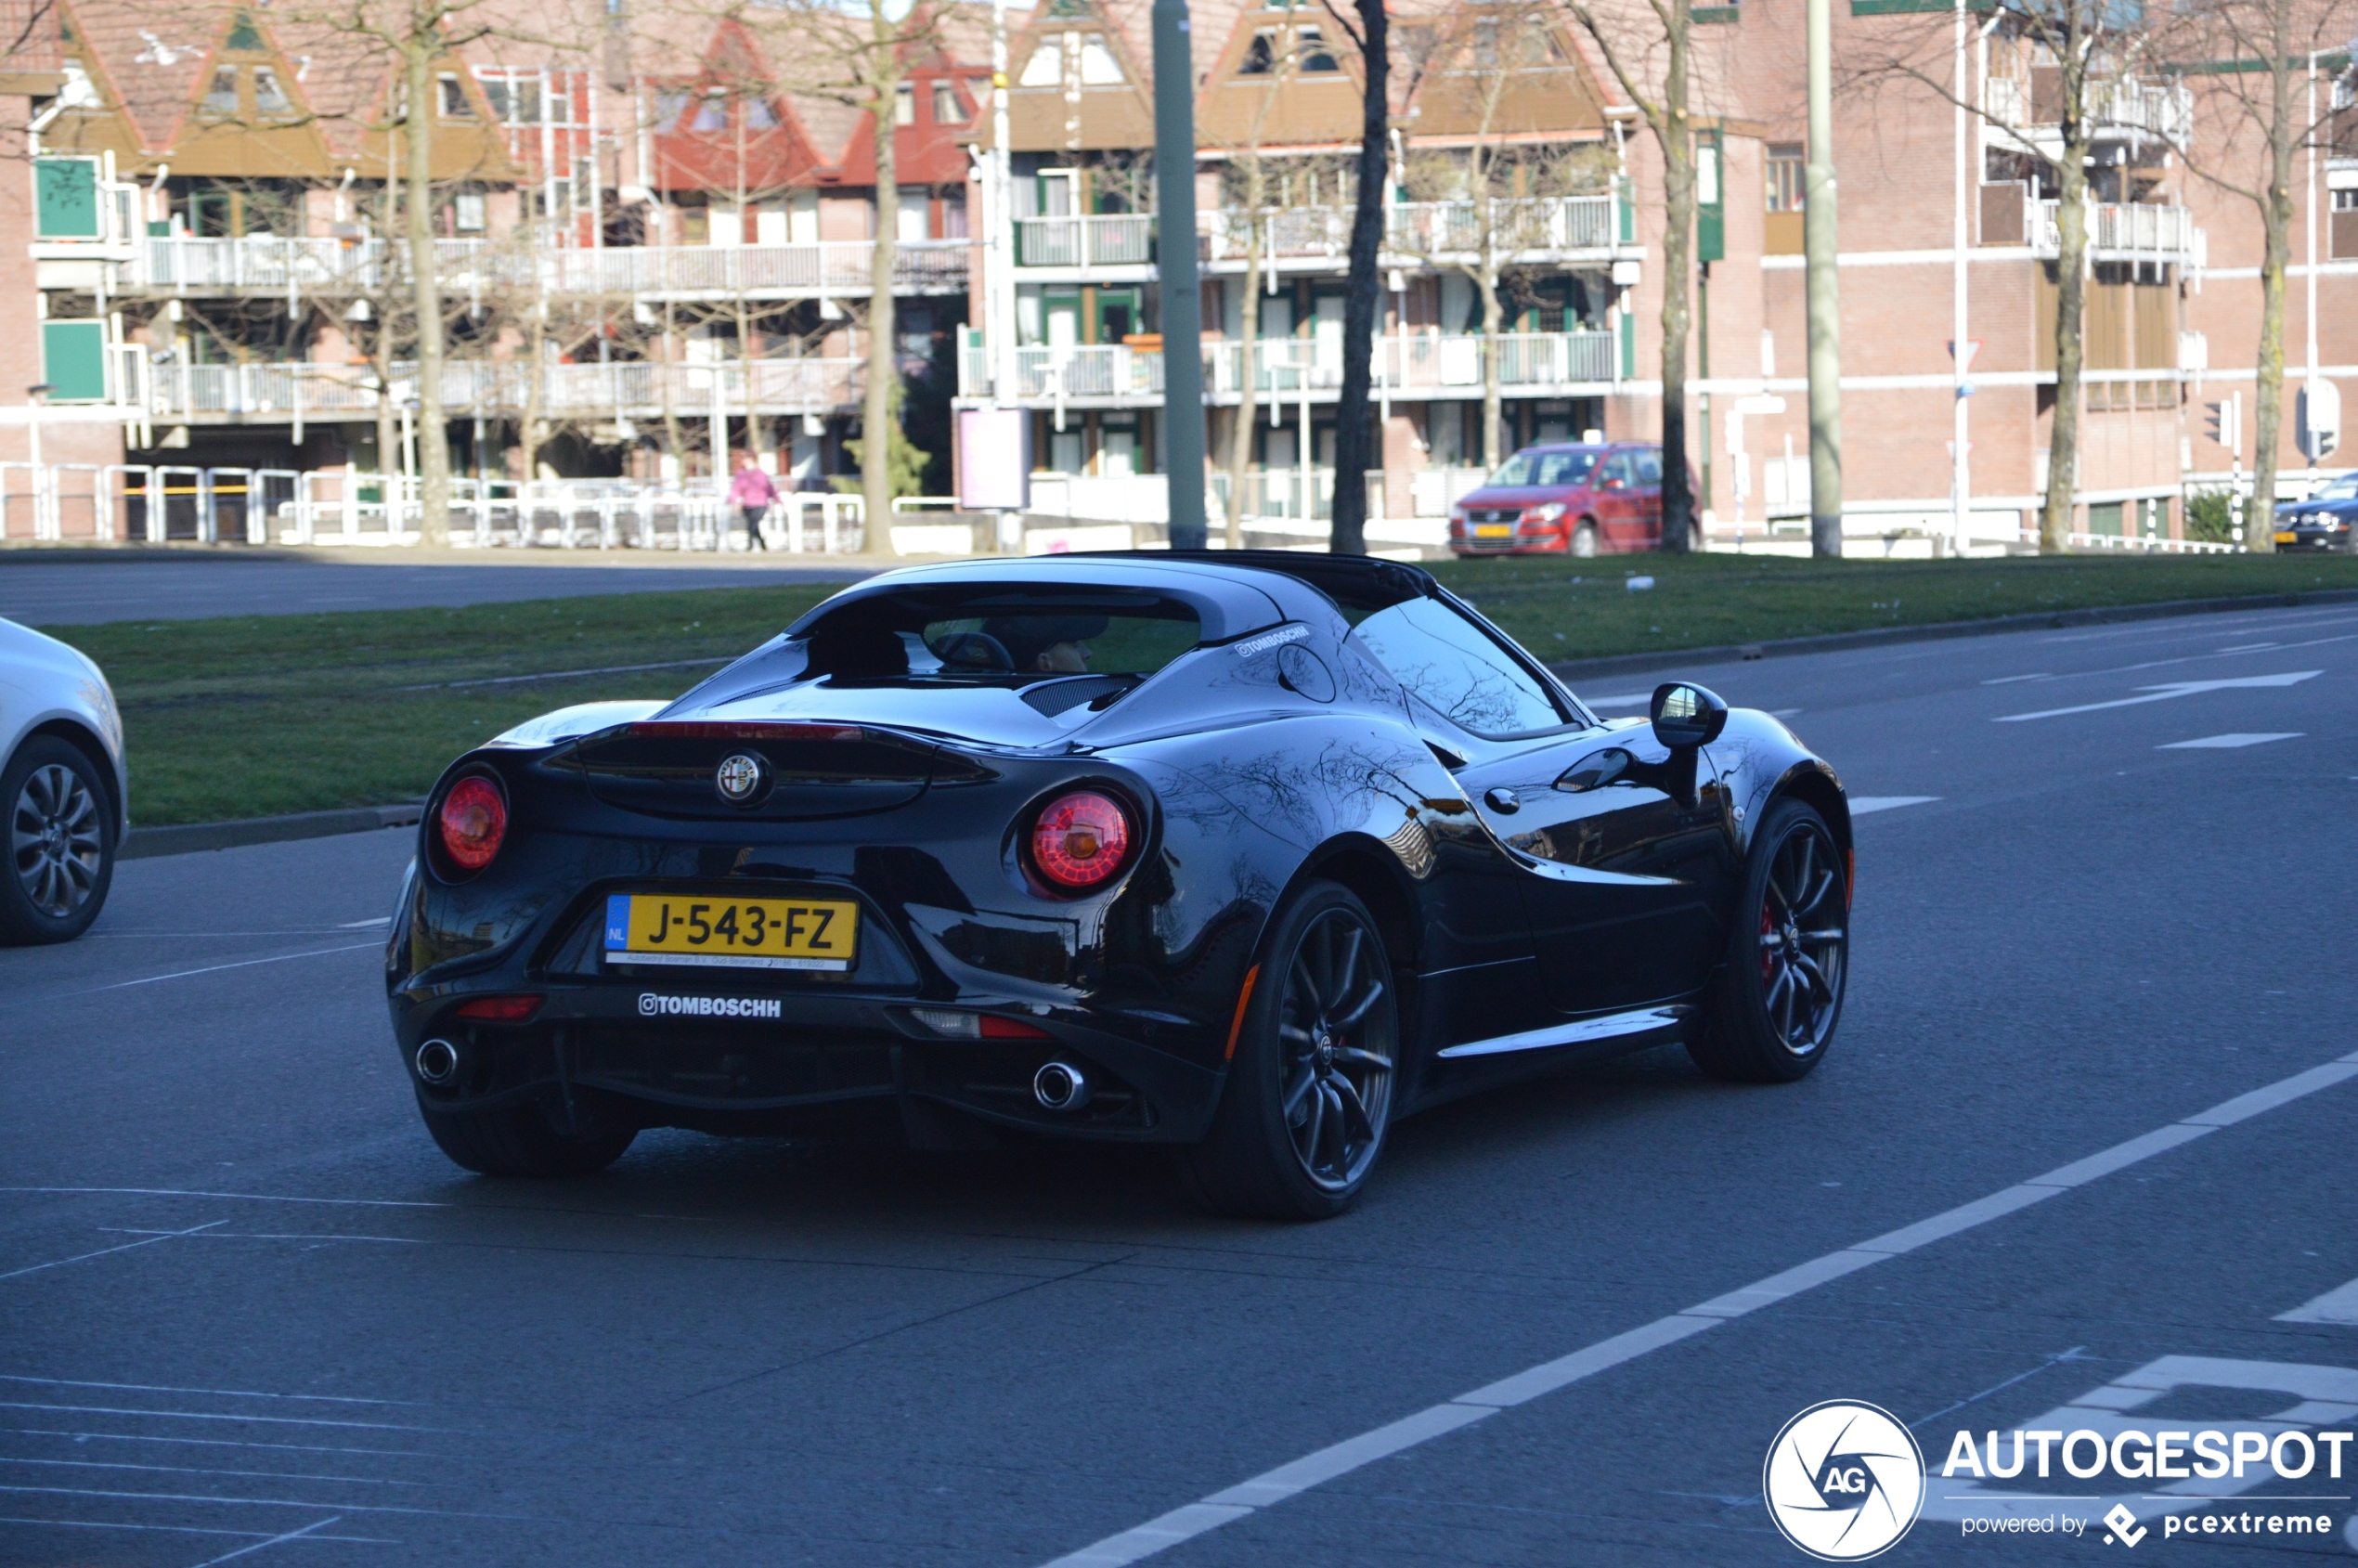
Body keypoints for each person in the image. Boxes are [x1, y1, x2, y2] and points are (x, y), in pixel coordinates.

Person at [728, 455, 779, 550]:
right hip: (748, 504)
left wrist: (778, 500)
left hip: (760, 504)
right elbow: (736, 489)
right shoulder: (741, 475)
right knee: (753, 524)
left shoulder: (761, 474)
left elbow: (770, 489)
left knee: (753, 523)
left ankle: (749, 545)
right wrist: (733, 501)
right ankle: (762, 544)